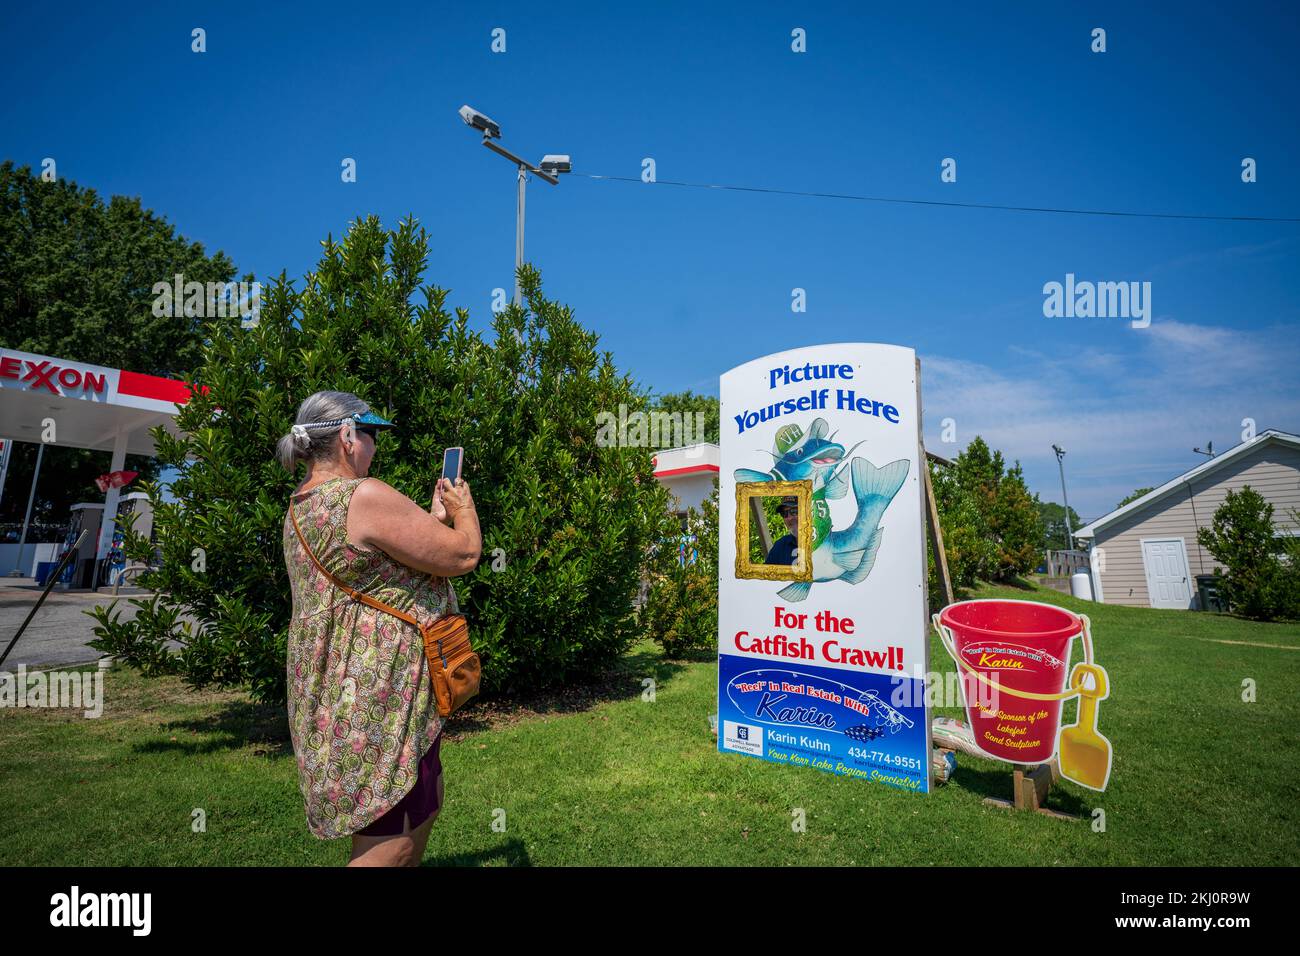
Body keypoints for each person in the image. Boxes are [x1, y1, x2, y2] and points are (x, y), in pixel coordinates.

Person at [277, 390, 482, 866]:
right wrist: (463, 509)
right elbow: (463, 555)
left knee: (409, 811)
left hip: (341, 688)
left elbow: (378, 571)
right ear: (347, 436)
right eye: (370, 434)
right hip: (377, 694)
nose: (375, 446)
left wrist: (432, 521)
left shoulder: (302, 504)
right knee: (391, 833)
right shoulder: (363, 496)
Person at [765, 496, 800, 565]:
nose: (789, 518)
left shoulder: (824, 543)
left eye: (794, 512)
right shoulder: (780, 546)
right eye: (784, 514)